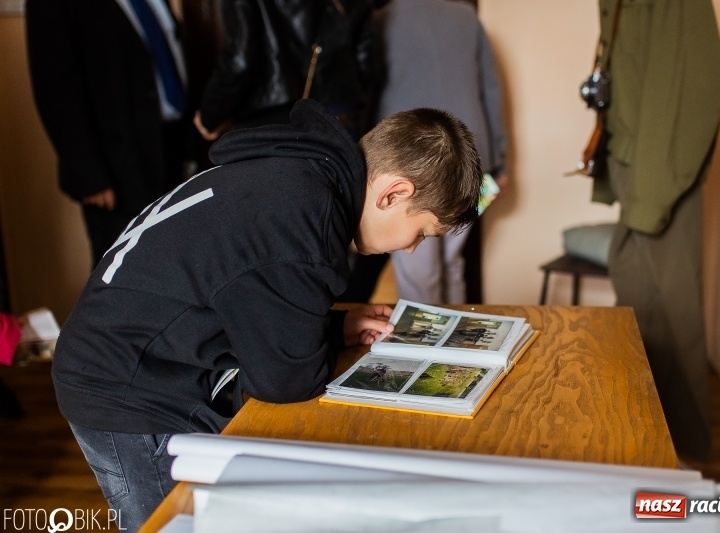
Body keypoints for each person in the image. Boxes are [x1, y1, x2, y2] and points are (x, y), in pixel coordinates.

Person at [52, 99, 483, 531]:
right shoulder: (301, 219)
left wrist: (332, 325)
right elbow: (286, 382)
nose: (410, 247)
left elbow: (251, 294)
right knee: (173, 523)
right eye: (422, 232)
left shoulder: (303, 172)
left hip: (144, 356)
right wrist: (322, 337)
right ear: (394, 193)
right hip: (124, 387)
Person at [590, 0, 720, 460]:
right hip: (637, 165)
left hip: (658, 174)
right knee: (641, 303)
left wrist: (651, 195)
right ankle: (651, 442)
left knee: (672, 308)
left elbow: (691, 89)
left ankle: (685, 456)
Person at [26, 0, 191, 267]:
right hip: (116, 167)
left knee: (177, 263)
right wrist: (90, 175)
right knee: (127, 272)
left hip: (171, 146)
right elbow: (54, 87)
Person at [371, 0, 508, 304]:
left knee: (418, 271)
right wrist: (500, 159)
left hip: (407, 157)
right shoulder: (466, 16)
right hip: (474, 155)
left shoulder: (381, 19)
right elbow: (490, 88)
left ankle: (425, 348)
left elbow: (369, 90)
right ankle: (453, 346)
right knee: (452, 261)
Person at [193, 0, 379, 142]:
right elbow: (365, 61)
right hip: (340, 111)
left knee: (276, 191)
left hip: (271, 117)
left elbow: (240, 61)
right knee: (340, 190)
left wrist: (210, 115)